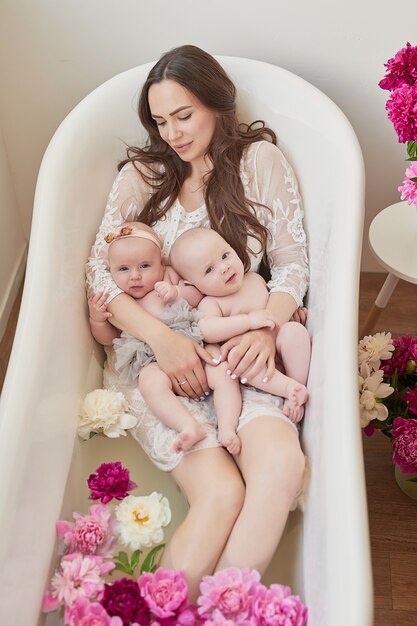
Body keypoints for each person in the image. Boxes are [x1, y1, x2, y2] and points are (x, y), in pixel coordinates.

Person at [86, 44, 309, 601]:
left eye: (184, 116)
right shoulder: (144, 174)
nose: (173, 134)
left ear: (217, 102)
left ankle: (221, 612)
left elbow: (291, 264)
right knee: (222, 495)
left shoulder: (258, 161)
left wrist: (263, 329)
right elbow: (100, 273)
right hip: (161, 366)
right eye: (161, 121)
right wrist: (163, 341)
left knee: (281, 463)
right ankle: (157, 613)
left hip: (237, 351)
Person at [88, 220, 258, 455]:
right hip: (150, 358)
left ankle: (228, 426)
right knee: (150, 383)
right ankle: (187, 425)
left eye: (145, 266)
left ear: (161, 263)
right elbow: (109, 339)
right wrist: (97, 319)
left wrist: (177, 291)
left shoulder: (170, 276)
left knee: (222, 370)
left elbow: (197, 294)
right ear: (112, 271)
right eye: (124, 269)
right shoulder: (124, 303)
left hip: (195, 340)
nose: (135, 276)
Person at [168, 226, 311, 435]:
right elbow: (207, 329)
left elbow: (274, 303)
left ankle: (297, 387)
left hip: (276, 343)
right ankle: (287, 389)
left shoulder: (254, 279)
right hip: (252, 362)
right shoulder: (210, 303)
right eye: (209, 270)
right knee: (236, 358)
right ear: (193, 284)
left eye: (225, 255)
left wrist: (293, 313)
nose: (224, 268)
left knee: (295, 332)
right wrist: (248, 321)